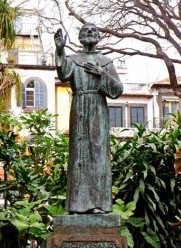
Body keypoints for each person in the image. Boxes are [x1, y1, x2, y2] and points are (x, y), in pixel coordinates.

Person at [54, 23, 123, 214]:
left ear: (99, 36)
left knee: (98, 154)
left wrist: (101, 74)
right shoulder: (73, 59)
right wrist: (60, 49)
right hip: (79, 107)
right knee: (79, 154)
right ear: (80, 37)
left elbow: (117, 90)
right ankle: (77, 205)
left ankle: (99, 205)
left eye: (93, 31)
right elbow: (63, 74)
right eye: (85, 31)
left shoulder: (106, 61)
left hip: (98, 107)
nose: (90, 33)